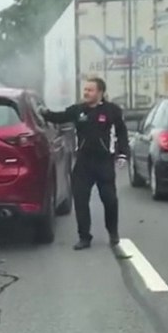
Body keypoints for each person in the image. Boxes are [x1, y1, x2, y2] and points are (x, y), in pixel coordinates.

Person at [40, 77, 129, 251]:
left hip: (104, 162)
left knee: (110, 200)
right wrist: (43, 112)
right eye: (85, 89)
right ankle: (84, 237)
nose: (86, 93)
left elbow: (122, 133)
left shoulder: (112, 111)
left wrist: (123, 154)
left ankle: (113, 233)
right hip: (83, 162)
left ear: (100, 92)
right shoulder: (78, 110)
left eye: (90, 90)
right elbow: (58, 117)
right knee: (80, 200)